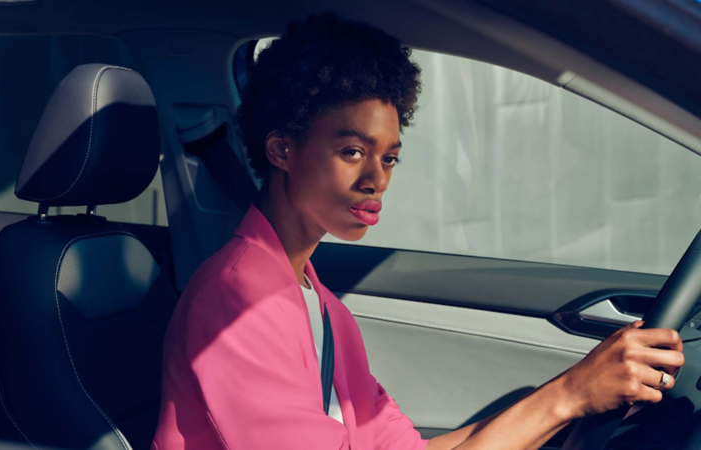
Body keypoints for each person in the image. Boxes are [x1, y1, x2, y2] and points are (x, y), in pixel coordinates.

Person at [150, 12, 684, 450]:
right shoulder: (236, 302)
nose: (375, 179)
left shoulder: (316, 300)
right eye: (352, 151)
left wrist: (581, 387)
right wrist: (570, 395)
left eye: (389, 158)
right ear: (282, 149)